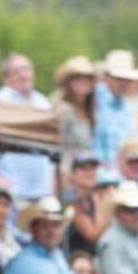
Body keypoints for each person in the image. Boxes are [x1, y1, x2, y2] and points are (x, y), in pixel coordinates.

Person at [0, 54, 56, 203]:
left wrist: (53, 185)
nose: (22, 75)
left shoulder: (43, 103)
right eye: (16, 72)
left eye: (26, 70)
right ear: (6, 78)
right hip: (12, 188)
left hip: (42, 188)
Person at [51, 55, 98, 187]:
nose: (84, 82)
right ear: (69, 83)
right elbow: (59, 146)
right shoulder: (64, 110)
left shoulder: (89, 110)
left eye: (87, 78)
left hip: (85, 172)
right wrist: (65, 176)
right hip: (68, 175)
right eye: (78, 79)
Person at [93, 50, 138, 167]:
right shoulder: (92, 100)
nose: (124, 84)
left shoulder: (127, 108)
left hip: (120, 173)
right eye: (119, 79)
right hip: (95, 173)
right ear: (106, 77)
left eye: (128, 80)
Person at [66, 151, 116, 256]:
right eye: (83, 168)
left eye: (93, 168)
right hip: (76, 261)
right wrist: (103, 205)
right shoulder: (71, 199)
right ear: (74, 174)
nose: (89, 172)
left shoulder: (95, 197)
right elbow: (93, 236)